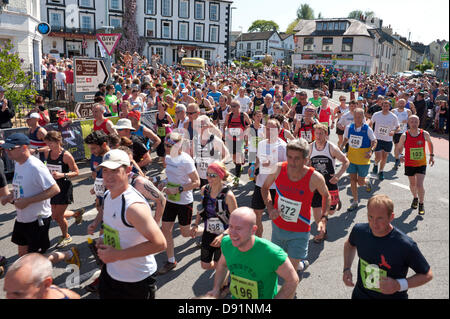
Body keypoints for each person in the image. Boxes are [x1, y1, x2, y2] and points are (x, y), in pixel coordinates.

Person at [95, 149, 167, 299]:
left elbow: (160, 244)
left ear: (128, 170)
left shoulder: (133, 207)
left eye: (114, 170)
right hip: (111, 274)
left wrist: (117, 255)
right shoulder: (108, 195)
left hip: (136, 281)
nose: (108, 176)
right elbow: (116, 228)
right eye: (105, 170)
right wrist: (104, 239)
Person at [343, 194, 433, 299]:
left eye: (380, 218)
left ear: (391, 217)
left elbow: (427, 274)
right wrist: (347, 268)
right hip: (361, 295)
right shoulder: (359, 231)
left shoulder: (404, 245)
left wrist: (398, 285)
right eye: (370, 217)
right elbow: (349, 245)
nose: (374, 223)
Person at [261, 138, 331, 273]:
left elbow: (326, 195)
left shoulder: (314, 177)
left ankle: (296, 269)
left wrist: (323, 218)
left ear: (306, 159)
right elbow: (264, 188)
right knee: (277, 264)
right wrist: (270, 208)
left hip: (300, 231)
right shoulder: (278, 168)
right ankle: (300, 264)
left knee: (290, 272)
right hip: (278, 227)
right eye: (289, 157)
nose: (292, 162)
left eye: (297, 159)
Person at [206, 207, 299, 299]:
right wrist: (216, 288)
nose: (232, 233)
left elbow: (292, 280)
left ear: (253, 230)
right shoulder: (227, 243)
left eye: (238, 228)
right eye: (230, 227)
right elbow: (222, 265)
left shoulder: (272, 253)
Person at [0, 134, 60, 256]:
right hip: (22, 218)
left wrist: (28, 201)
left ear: (24, 147)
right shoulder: (18, 163)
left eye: (11, 148)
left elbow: (54, 189)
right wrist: (10, 195)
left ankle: (67, 254)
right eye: (5, 148)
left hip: (37, 220)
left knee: (35, 260)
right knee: (23, 256)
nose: (7, 151)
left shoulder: (35, 166)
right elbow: (22, 187)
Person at [157, 132, 200, 275]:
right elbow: (170, 176)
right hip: (171, 200)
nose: (166, 148)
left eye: (169, 146)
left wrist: (178, 189)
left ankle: (209, 230)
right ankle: (171, 261)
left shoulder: (185, 160)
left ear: (178, 146)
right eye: (165, 145)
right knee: (166, 229)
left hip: (184, 201)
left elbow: (197, 182)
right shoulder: (168, 158)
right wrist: (163, 182)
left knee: (185, 233)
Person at [191, 162, 238, 270]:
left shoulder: (228, 196)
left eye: (213, 175)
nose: (209, 178)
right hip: (209, 231)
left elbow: (235, 220)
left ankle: (223, 280)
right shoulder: (205, 189)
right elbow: (200, 208)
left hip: (224, 234)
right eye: (207, 174)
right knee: (205, 265)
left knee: (220, 265)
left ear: (220, 175)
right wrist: (195, 224)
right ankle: (222, 269)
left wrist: (223, 235)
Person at [308, 124, 349, 243]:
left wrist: (338, 175)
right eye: (317, 133)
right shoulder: (311, 147)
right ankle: (322, 232)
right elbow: (307, 163)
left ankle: (336, 204)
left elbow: (346, 162)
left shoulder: (331, 148)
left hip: (329, 182)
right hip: (316, 182)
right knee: (316, 209)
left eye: (321, 133)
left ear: (326, 134)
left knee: (330, 211)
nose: (319, 136)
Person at [43, 131, 84, 248]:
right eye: (47, 143)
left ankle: (66, 236)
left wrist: (62, 175)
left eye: (50, 143)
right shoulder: (48, 153)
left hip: (64, 188)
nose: (48, 145)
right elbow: (47, 165)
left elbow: (76, 172)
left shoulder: (66, 156)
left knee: (57, 216)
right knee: (55, 214)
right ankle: (76, 213)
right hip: (52, 187)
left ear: (58, 141)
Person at [250, 119, 287, 238]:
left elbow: (288, 167)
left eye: (272, 129)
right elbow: (258, 159)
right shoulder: (261, 143)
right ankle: (259, 242)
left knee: (277, 217)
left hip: (276, 187)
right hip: (261, 185)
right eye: (267, 128)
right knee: (256, 214)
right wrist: (253, 167)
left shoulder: (283, 146)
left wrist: (274, 165)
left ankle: (279, 242)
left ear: (279, 130)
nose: (269, 131)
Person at [340, 108, 377, 211]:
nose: (357, 118)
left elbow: (374, 141)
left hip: (363, 160)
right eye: (356, 116)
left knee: (360, 182)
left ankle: (366, 182)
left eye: (360, 117)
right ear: (354, 117)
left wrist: (371, 151)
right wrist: (341, 148)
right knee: (352, 180)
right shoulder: (349, 127)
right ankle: (355, 201)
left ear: (363, 117)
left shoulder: (367, 129)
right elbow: (346, 139)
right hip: (351, 158)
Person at [397, 115, 435, 216]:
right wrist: (400, 155)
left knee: (419, 184)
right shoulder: (405, 135)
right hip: (409, 163)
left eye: (416, 122)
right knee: (412, 184)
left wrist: (431, 155)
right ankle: (415, 197)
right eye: (412, 122)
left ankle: (421, 204)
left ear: (419, 123)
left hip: (421, 163)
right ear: (408, 123)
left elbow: (430, 144)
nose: (414, 124)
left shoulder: (424, 134)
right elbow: (399, 147)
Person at [3, 253, 80, 299]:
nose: (8, 297)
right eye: (6, 291)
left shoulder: (65, 295)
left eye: (18, 294)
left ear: (46, 284)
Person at [84, 130, 110, 235]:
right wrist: (97, 191)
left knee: (105, 232)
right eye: (90, 148)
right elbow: (95, 174)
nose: (91, 152)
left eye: (93, 148)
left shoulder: (114, 158)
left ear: (104, 144)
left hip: (113, 198)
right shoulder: (95, 155)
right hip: (102, 197)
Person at [191, 115, 229, 187]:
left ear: (208, 126)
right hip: (200, 174)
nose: (198, 128)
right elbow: (192, 154)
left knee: (213, 195)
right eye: (197, 126)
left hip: (213, 175)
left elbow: (226, 154)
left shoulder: (215, 140)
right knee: (204, 194)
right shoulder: (195, 139)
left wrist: (219, 163)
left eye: (201, 126)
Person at [369, 99, 400, 181]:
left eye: (387, 106)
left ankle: (381, 171)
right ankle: (375, 164)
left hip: (388, 140)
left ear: (390, 107)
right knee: (378, 157)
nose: (385, 107)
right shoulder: (376, 114)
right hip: (377, 139)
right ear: (381, 106)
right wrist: (369, 133)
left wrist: (394, 131)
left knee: (384, 157)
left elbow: (398, 127)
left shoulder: (393, 116)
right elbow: (370, 123)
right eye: (384, 106)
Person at [224, 100, 251, 187]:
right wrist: (224, 135)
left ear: (239, 107)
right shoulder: (229, 115)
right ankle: (239, 166)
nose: (232, 108)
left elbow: (249, 125)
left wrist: (246, 133)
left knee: (238, 161)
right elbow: (225, 125)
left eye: (234, 106)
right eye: (231, 106)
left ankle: (236, 179)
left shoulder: (243, 115)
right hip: (230, 140)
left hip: (240, 140)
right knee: (234, 158)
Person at [392, 99, 412, 171]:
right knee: (397, 145)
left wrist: (407, 121)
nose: (401, 104)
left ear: (405, 104)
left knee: (401, 146)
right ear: (398, 103)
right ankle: (397, 160)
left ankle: (399, 156)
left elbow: (411, 120)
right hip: (396, 131)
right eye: (400, 103)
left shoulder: (408, 111)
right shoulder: (394, 111)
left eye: (402, 103)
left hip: (403, 132)